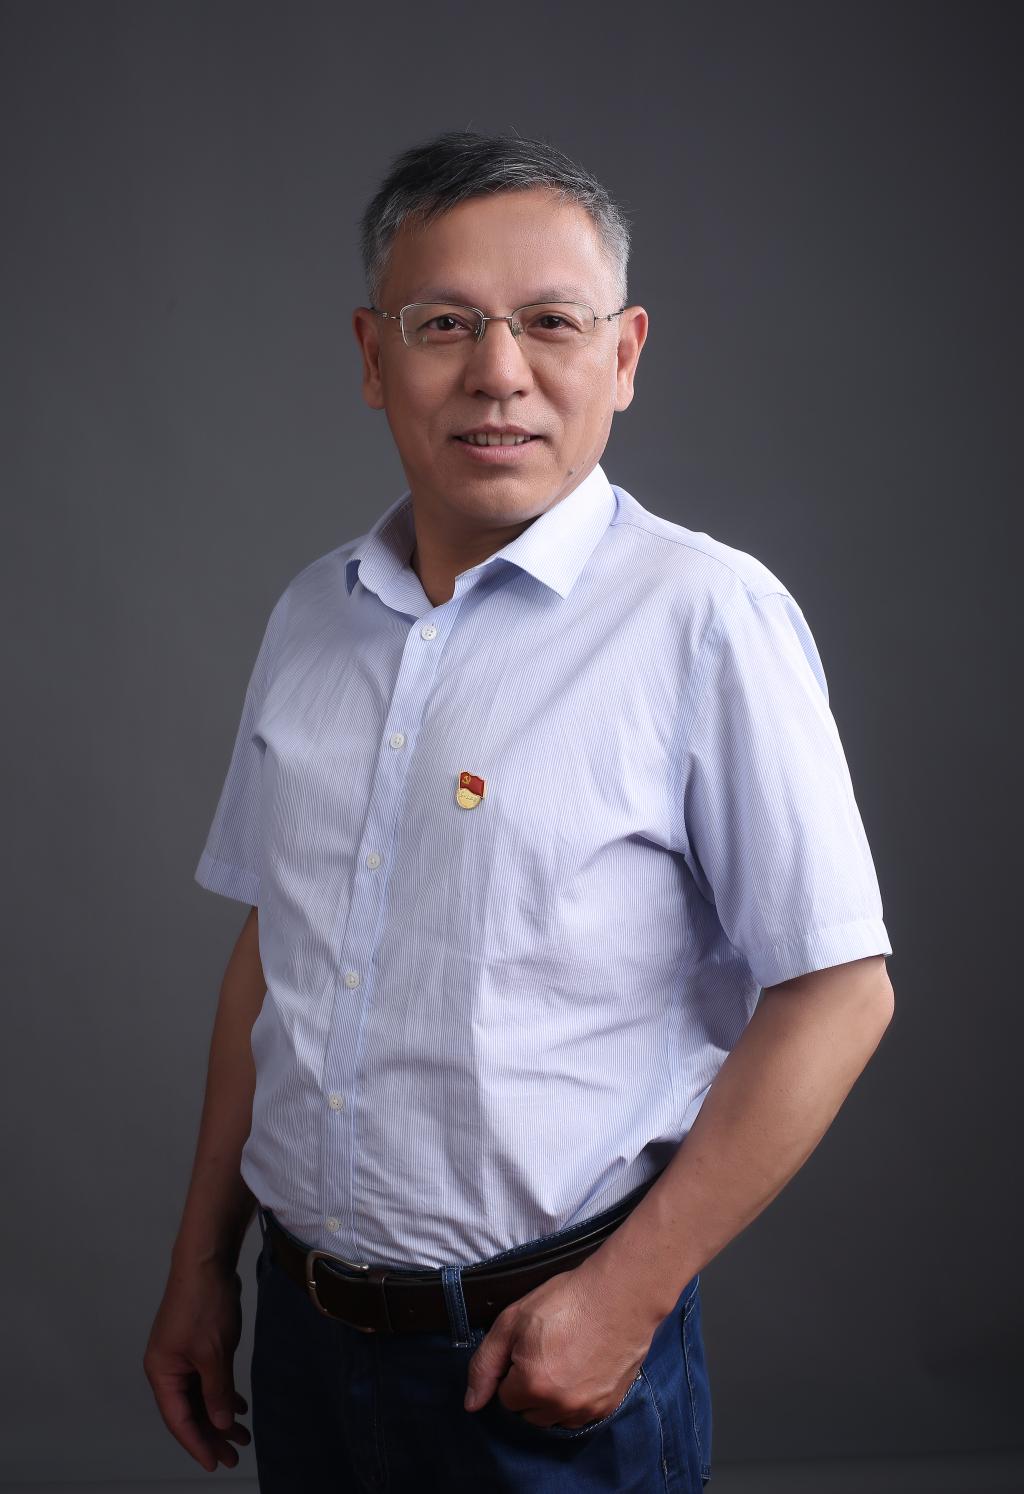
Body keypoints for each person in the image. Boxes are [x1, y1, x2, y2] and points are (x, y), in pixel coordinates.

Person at [143, 129, 895, 1493]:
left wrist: (627, 1298)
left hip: (547, 1355)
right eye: (445, 324)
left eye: (552, 321)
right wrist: (204, 1263)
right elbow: (276, 951)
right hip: (305, 1342)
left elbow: (840, 994)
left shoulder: (704, 616)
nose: (499, 372)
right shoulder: (312, 615)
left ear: (625, 354)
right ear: (372, 357)